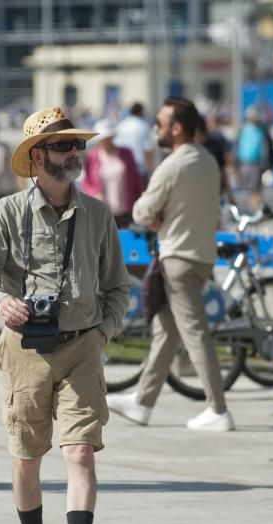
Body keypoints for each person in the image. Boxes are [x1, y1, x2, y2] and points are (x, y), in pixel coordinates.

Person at [0, 106, 130, 524]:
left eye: (77, 145)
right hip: (24, 352)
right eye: (63, 146)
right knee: (27, 456)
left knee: (80, 450)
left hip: (82, 346)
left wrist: (102, 335)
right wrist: (2, 303)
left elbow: (118, 289)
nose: (74, 154)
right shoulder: (7, 213)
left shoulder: (99, 216)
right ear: (37, 157)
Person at [107, 97, 235, 432]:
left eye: (161, 123)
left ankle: (218, 409)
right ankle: (142, 403)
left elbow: (141, 211)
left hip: (177, 258)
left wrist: (156, 218)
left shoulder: (172, 165)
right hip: (202, 255)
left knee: (195, 333)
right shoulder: (207, 160)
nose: (156, 129)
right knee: (166, 331)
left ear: (177, 129)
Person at [81, 119, 145, 228]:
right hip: (103, 214)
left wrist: (142, 203)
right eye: (103, 139)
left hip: (127, 212)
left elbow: (136, 181)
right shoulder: (92, 157)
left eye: (108, 138)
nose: (106, 142)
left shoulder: (126, 154)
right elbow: (87, 183)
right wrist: (96, 194)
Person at [195, 114, 234, 205]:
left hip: (213, 193)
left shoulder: (214, 146)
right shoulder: (191, 147)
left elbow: (222, 170)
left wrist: (229, 194)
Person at [236, 106, 269, 209]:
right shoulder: (248, 130)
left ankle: (256, 209)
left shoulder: (252, 130)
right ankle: (255, 209)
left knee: (255, 189)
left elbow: (264, 149)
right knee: (253, 189)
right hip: (248, 163)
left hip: (254, 163)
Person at [115, 102, 156, 180]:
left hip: (123, 167)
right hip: (140, 168)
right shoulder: (143, 125)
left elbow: (117, 146)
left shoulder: (121, 125)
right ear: (140, 112)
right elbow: (147, 149)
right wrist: (152, 169)